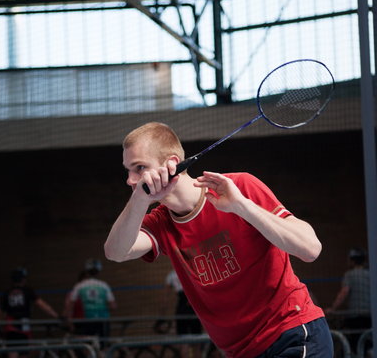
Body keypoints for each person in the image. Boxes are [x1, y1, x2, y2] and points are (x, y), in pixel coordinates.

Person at [104, 122, 333, 358]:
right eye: (128, 171)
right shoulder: (161, 223)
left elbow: (310, 249)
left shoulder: (238, 187)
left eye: (139, 168)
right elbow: (115, 252)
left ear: (171, 165)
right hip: (242, 353)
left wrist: (241, 206)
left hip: (290, 334)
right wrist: (139, 200)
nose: (131, 180)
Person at [0, 267, 59, 358]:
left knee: (13, 352)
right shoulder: (27, 290)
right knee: (24, 352)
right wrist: (56, 316)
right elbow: (41, 304)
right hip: (23, 326)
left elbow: (2, 312)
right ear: (22, 279)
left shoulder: (7, 292)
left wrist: (1, 327)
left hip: (10, 326)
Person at [326, 248, 371, 353]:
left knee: (353, 345)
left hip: (355, 316)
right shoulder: (370, 274)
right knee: (367, 344)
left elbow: (344, 293)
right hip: (369, 315)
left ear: (352, 261)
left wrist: (332, 308)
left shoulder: (349, 275)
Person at [65, 259, 116, 349]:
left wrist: (69, 320)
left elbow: (70, 304)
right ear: (98, 272)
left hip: (88, 320)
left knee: (88, 346)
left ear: (87, 272)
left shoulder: (79, 286)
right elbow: (113, 306)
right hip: (103, 320)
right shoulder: (104, 286)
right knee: (103, 346)